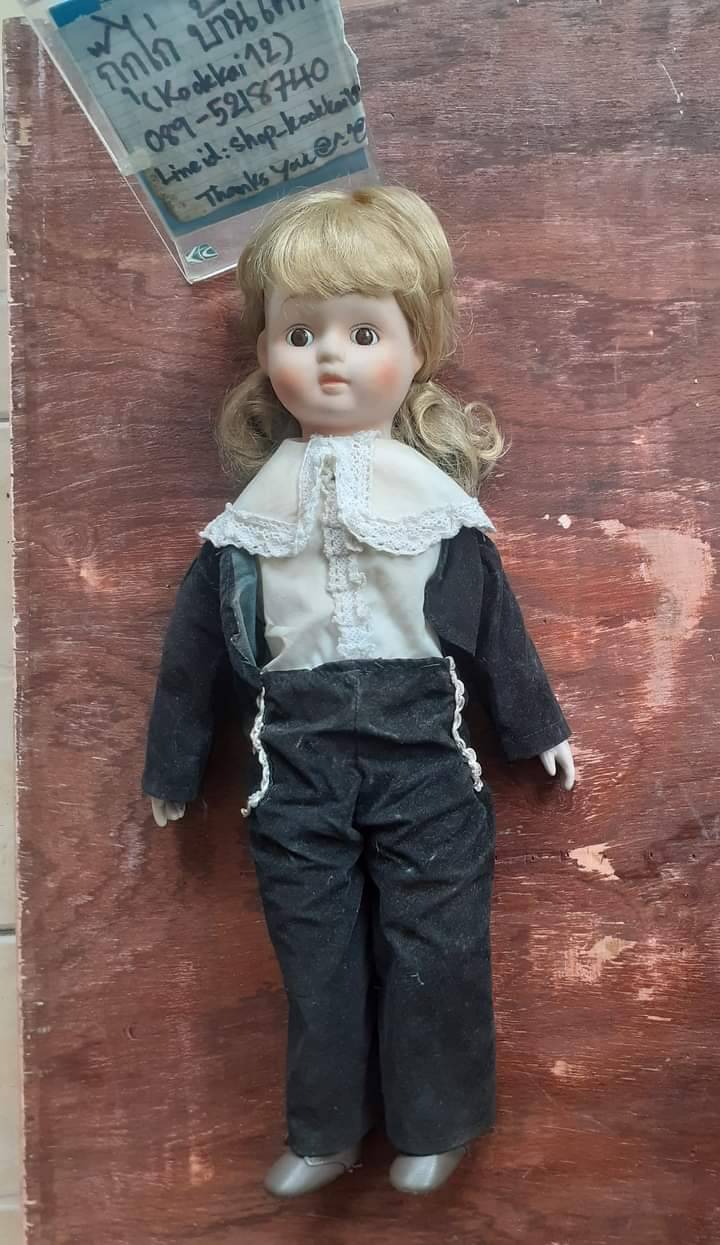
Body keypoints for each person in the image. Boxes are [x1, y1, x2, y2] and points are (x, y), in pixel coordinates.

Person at [142, 186, 575, 1198]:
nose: (329, 358)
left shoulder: (435, 507)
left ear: (417, 350)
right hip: (296, 763)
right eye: (300, 333)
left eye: (363, 332)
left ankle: (438, 1121)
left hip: (424, 757)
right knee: (315, 953)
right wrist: (173, 764)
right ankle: (325, 1129)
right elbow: (193, 656)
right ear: (265, 353)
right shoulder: (249, 520)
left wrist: (536, 725)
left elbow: (494, 629)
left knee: (438, 944)